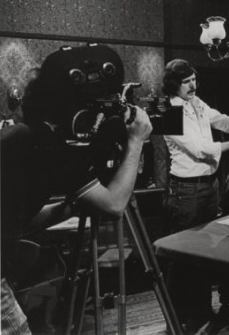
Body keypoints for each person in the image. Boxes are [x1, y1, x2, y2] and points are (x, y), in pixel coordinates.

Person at [1, 48, 152, 335]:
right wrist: (135, 143)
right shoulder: (51, 146)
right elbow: (114, 206)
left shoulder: (30, 136)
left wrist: (70, 207)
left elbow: (16, 225)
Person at [161, 58, 229, 332]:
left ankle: (202, 312)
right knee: (181, 256)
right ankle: (176, 319)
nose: (192, 85)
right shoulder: (167, 111)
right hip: (186, 191)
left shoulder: (198, 103)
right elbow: (201, 149)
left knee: (205, 254)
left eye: (194, 79)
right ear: (174, 84)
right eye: (186, 81)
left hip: (209, 186)